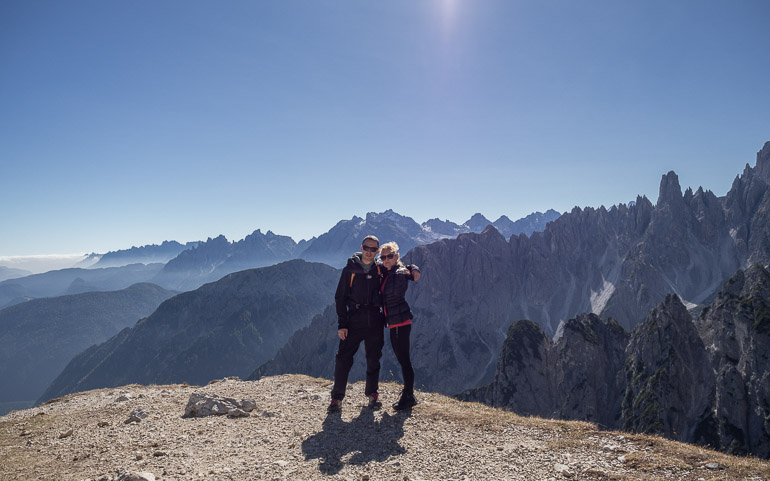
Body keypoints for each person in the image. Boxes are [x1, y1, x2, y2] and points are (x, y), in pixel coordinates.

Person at [328, 235, 419, 413]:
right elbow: (340, 297)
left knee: (373, 358)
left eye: (373, 249)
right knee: (343, 358)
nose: (369, 252)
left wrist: (413, 268)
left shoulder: (380, 269)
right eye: (366, 248)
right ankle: (336, 398)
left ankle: (373, 394)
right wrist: (342, 324)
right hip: (353, 319)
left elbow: (398, 269)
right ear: (361, 248)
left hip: (375, 319)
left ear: (376, 251)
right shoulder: (350, 269)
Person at [378, 241, 419, 410]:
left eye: (389, 256)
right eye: (383, 257)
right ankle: (408, 393)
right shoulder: (390, 272)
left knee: (404, 360)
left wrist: (410, 271)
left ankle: (409, 396)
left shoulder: (399, 273)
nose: (386, 260)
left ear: (396, 257)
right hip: (395, 322)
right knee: (402, 359)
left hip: (400, 321)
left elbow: (393, 294)